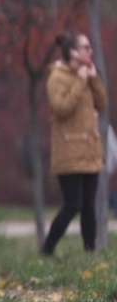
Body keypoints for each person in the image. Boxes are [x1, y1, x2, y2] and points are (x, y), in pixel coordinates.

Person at [41, 32, 106, 256]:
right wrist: (80, 81)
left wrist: (93, 78)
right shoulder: (57, 76)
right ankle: (47, 249)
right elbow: (61, 108)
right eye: (86, 47)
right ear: (73, 52)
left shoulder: (86, 74)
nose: (91, 51)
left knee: (89, 206)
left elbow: (102, 103)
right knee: (73, 205)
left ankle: (90, 253)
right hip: (69, 152)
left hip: (89, 151)